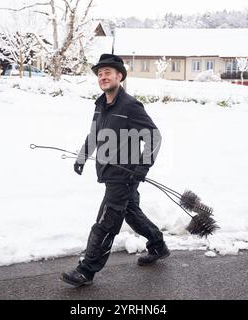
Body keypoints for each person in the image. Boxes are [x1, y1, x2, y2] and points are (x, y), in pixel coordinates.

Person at [61, 54, 170, 288]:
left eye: (108, 72)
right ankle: (158, 245)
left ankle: (86, 270)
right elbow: (95, 134)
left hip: (125, 175)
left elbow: (154, 135)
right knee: (131, 212)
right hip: (109, 172)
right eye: (100, 74)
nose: (103, 77)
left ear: (119, 76)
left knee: (106, 221)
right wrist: (82, 156)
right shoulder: (100, 105)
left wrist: (143, 166)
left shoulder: (130, 105)